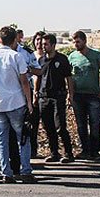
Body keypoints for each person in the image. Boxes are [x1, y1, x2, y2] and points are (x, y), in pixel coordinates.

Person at [0, 26, 35, 184]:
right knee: (23, 138)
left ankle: (6, 171)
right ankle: (25, 170)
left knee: (1, 138)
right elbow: (24, 81)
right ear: (15, 40)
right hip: (16, 100)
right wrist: (29, 102)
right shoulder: (16, 56)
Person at [34, 33, 75, 163]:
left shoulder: (62, 59)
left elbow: (68, 78)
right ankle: (54, 153)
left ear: (53, 45)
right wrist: (36, 93)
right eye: (42, 44)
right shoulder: (41, 60)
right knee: (48, 126)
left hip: (58, 96)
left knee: (60, 126)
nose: (43, 46)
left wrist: (71, 95)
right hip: (44, 97)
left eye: (46, 44)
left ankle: (68, 153)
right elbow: (39, 77)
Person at [68, 30, 100, 159]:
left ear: (84, 41)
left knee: (95, 123)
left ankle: (95, 151)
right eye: (74, 42)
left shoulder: (96, 55)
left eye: (78, 41)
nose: (76, 44)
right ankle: (85, 150)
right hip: (78, 95)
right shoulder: (72, 56)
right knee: (81, 124)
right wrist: (71, 94)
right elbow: (69, 77)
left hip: (93, 95)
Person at [17, 29, 42, 157]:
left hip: (25, 91)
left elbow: (39, 71)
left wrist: (27, 69)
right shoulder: (1, 53)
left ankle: (29, 153)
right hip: (9, 93)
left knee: (27, 124)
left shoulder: (26, 53)